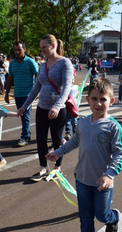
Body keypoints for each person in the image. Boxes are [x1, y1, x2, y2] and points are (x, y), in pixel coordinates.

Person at [46, 78, 122, 232]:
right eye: (94, 99)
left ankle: (113, 218)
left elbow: (119, 153)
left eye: (103, 99)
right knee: (86, 217)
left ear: (111, 101)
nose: (98, 104)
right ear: (88, 100)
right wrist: (58, 152)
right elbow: (75, 141)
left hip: (102, 183)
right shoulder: (82, 122)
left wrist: (109, 175)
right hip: (82, 179)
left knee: (102, 215)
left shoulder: (113, 127)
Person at [17, 34, 73, 181]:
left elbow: (67, 88)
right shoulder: (43, 65)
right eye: (41, 48)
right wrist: (24, 106)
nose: (42, 50)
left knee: (56, 140)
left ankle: (57, 168)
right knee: (41, 139)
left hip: (58, 110)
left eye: (44, 47)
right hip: (42, 108)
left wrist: (56, 106)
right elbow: (36, 89)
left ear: (53, 45)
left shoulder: (64, 63)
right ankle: (42, 168)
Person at [5, 41, 39, 147]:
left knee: (25, 115)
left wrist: (38, 91)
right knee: (21, 115)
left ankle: (25, 136)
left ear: (24, 49)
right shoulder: (12, 63)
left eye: (19, 49)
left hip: (28, 94)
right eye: (15, 50)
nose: (17, 52)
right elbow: (10, 78)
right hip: (17, 94)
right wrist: (6, 93)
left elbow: (38, 75)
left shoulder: (30, 62)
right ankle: (27, 134)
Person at [64, 68, 78, 141]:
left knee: (74, 121)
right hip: (67, 106)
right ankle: (68, 133)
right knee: (67, 121)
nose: (71, 80)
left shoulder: (75, 87)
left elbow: (77, 95)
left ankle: (75, 133)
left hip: (73, 107)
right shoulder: (66, 87)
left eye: (72, 79)